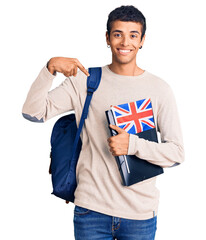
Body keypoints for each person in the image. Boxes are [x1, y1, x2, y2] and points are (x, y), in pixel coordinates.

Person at [22, 5, 185, 240]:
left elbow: (176, 153)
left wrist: (132, 145)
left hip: (140, 213)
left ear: (142, 40)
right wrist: (50, 69)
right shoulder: (85, 81)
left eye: (133, 35)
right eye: (118, 34)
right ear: (107, 38)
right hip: (92, 210)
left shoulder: (160, 89)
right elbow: (33, 112)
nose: (125, 42)